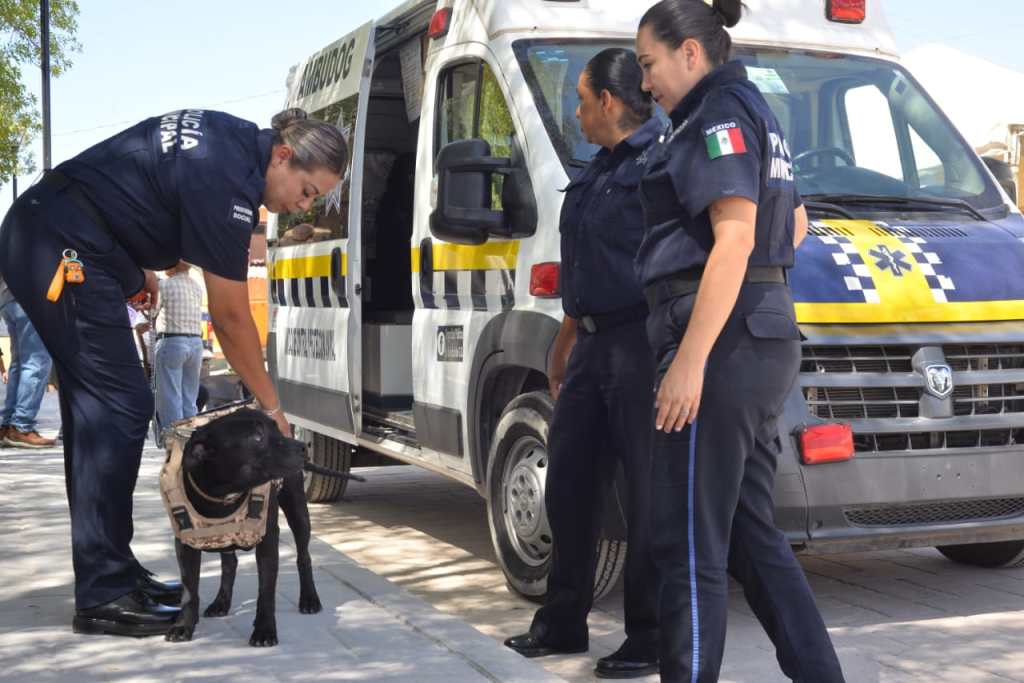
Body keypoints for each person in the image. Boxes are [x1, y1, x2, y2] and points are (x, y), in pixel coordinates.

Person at [0, 107, 347, 637]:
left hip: (65, 230)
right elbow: (232, 318)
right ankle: (104, 592)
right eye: (306, 191)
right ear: (283, 156)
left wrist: (132, 268)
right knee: (118, 407)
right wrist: (272, 410)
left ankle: (114, 571)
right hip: (57, 241)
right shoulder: (230, 180)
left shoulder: (229, 143)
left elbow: (126, 192)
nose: (303, 206)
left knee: (102, 407)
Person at [633, 1, 845, 681]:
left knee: (688, 542)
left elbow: (736, 235)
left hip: (719, 344)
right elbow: (798, 221)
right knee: (753, 537)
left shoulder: (715, 116)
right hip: (757, 333)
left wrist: (690, 361)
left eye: (648, 64)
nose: (645, 83)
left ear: (689, 53)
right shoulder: (753, 109)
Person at [504, 49, 662, 679]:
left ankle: (648, 635)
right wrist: (566, 338)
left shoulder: (661, 163)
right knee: (568, 486)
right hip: (591, 343)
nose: (575, 110)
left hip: (641, 343)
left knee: (648, 496)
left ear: (609, 101)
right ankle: (563, 621)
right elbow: (585, 264)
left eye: (580, 97)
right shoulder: (597, 170)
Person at [0, 275, 57, 448]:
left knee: (20, 362)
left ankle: (8, 426)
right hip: (29, 297)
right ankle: (22, 426)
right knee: (37, 362)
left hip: (8, 298)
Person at [152, 261, 205, 435]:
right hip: (196, 344)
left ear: (172, 266)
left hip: (173, 342)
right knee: (189, 397)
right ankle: (191, 436)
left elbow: (153, 311)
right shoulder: (196, 286)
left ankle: (174, 438)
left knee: (170, 396)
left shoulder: (165, 285)